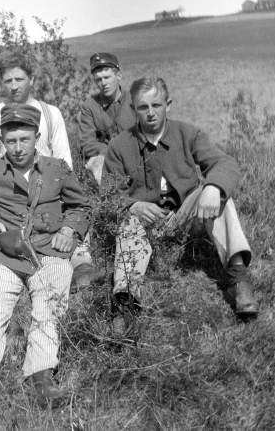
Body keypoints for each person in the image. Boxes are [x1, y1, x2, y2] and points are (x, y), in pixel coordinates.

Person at [0, 104, 91, 408]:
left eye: (24, 139)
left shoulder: (58, 168)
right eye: (11, 141)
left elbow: (81, 207)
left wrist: (69, 231)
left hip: (49, 250)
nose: (18, 148)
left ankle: (41, 376)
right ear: (1, 140)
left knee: (49, 304)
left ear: (37, 136)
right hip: (5, 253)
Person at [0, 52, 102, 317]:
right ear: (0, 84)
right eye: (7, 80)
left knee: (73, 205)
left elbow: (65, 162)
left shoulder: (51, 114)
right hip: (8, 191)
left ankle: (81, 265)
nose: (14, 85)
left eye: (20, 78)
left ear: (31, 79)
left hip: (49, 188)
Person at [103, 76, 259, 333]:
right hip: (146, 226)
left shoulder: (187, 133)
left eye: (157, 105)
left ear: (169, 104)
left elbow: (225, 164)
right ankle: (125, 302)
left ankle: (238, 277)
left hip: (185, 221)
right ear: (133, 110)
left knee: (219, 195)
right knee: (128, 222)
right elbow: (108, 196)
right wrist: (132, 206)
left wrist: (212, 187)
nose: (151, 113)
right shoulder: (119, 146)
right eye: (143, 107)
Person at [78, 53, 136, 185]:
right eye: (98, 79)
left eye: (107, 77)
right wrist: (110, 151)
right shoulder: (90, 106)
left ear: (118, 76)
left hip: (135, 155)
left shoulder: (134, 100)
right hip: (105, 157)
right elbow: (86, 143)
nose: (103, 83)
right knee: (98, 165)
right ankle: (109, 202)